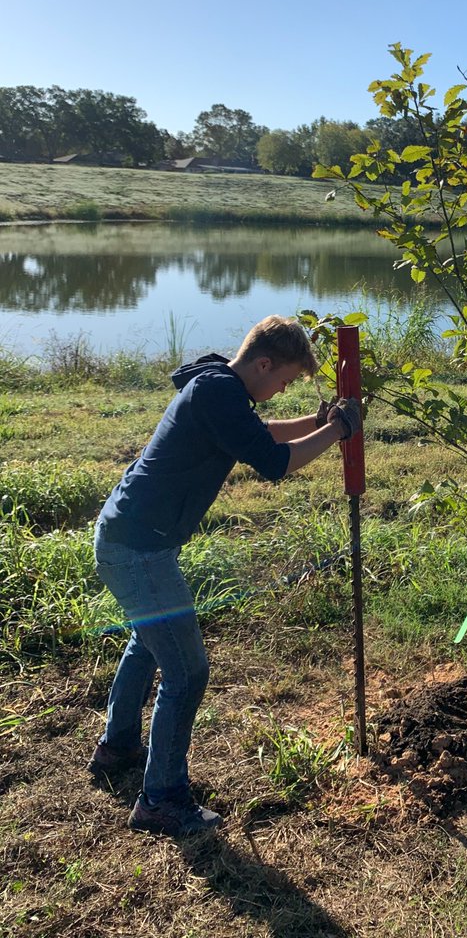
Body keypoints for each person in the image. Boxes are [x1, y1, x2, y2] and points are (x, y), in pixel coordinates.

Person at [88, 315, 361, 836]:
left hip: (133, 538)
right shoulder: (217, 393)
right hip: (138, 550)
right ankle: (161, 799)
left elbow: (259, 434)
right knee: (187, 672)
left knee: (148, 644)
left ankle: (117, 747)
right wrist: (338, 429)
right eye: (284, 381)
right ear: (264, 363)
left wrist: (317, 420)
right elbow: (274, 462)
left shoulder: (219, 385)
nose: (282, 390)